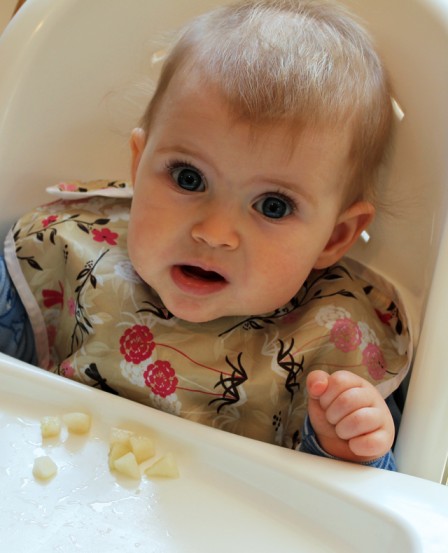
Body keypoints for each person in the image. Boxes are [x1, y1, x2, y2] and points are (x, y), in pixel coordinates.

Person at [0, 0, 411, 469]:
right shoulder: (69, 254)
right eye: (188, 178)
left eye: (272, 206)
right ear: (139, 164)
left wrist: (345, 446)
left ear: (335, 237)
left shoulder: (331, 344)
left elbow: (366, 515)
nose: (214, 233)